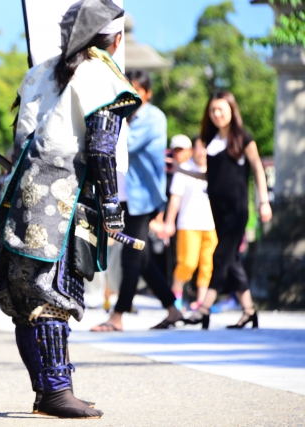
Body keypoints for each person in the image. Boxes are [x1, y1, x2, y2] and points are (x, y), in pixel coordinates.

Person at [0, 0, 141, 418]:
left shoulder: (37, 72)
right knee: (50, 297)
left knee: (23, 303)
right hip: (60, 201)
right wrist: (111, 207)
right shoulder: (100, 73)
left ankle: (46, 392)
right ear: (115, 39)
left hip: (15, 198)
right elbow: (101, 148)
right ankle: (55, 392)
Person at [91, 69, 183, 332]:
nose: (130, 94)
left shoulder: (153, 117)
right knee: (140, 258)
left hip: (142, 197)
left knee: (131, 256)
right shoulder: (126, 114)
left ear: (147, 93)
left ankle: (117, 317)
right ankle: (173, 309)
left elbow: (124, 144)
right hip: (124, 197)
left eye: (136, 90)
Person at [184, 91, 272, 330]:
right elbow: (210, 175)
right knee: (231, 260)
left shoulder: (243, 138)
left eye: (221, 109)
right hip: (217, 209)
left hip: (237, 209)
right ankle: (249, 312)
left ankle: (203, 309)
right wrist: (180, 170)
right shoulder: (210, 140)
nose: (217, 114)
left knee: (219, 256)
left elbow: (258, 169)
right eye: (213, 110)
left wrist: (264, 202)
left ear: (232, 111)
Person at [163, 135, 218, 310]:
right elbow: (175, 199)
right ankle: (176, 293)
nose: (203, 151)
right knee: (187, 263)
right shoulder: (185, 169)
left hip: (211, 225)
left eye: (206, 147)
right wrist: (169, 222)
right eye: (200, 147)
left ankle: (201, 301)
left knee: (207, 265)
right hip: (188, 223)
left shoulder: (216, 170)